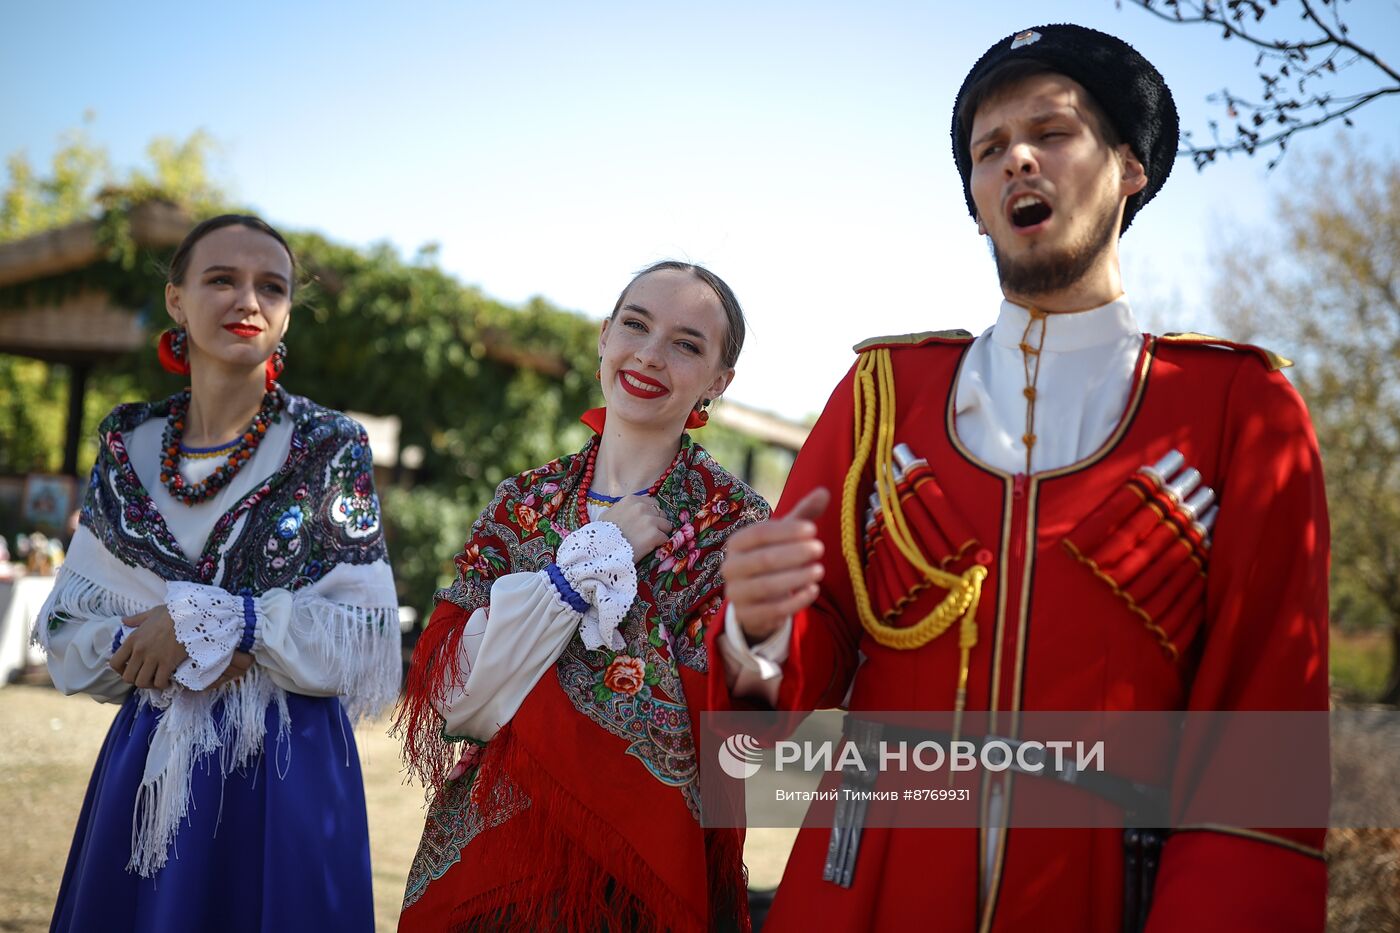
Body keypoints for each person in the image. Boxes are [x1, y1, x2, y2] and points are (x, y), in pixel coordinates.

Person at [713, 24, 1328, 933]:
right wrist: (758, 631)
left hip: (1113, 892)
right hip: (865, 883)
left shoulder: (1244, 409)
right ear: (974, 197)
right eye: (988, 149)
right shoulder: (882, 395)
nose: (1018, 161)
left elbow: (1262, 740)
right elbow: (798, 671)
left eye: (1053, 132)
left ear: (1130, 166)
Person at [34, 214, 400, 932]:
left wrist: (235, 625)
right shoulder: (128, 442)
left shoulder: (329, 446)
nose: (248, 300)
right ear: (176, 298)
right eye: (222, 279)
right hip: (151, 758)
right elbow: (69, 626)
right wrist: (152, 645)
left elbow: (366, 634)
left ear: (288, 310)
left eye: (272, 285)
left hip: (289, 768)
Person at [396, 260, 770, 932]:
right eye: (636, 324)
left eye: (687, 343)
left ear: (718, 381)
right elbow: (450, 687)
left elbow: (737, 721)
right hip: (494, 860)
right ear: (604, 336)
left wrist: (528, 640)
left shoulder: (736, 524)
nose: (650, 354)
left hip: (637, 875)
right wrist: (580, 572)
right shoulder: (525, 501)